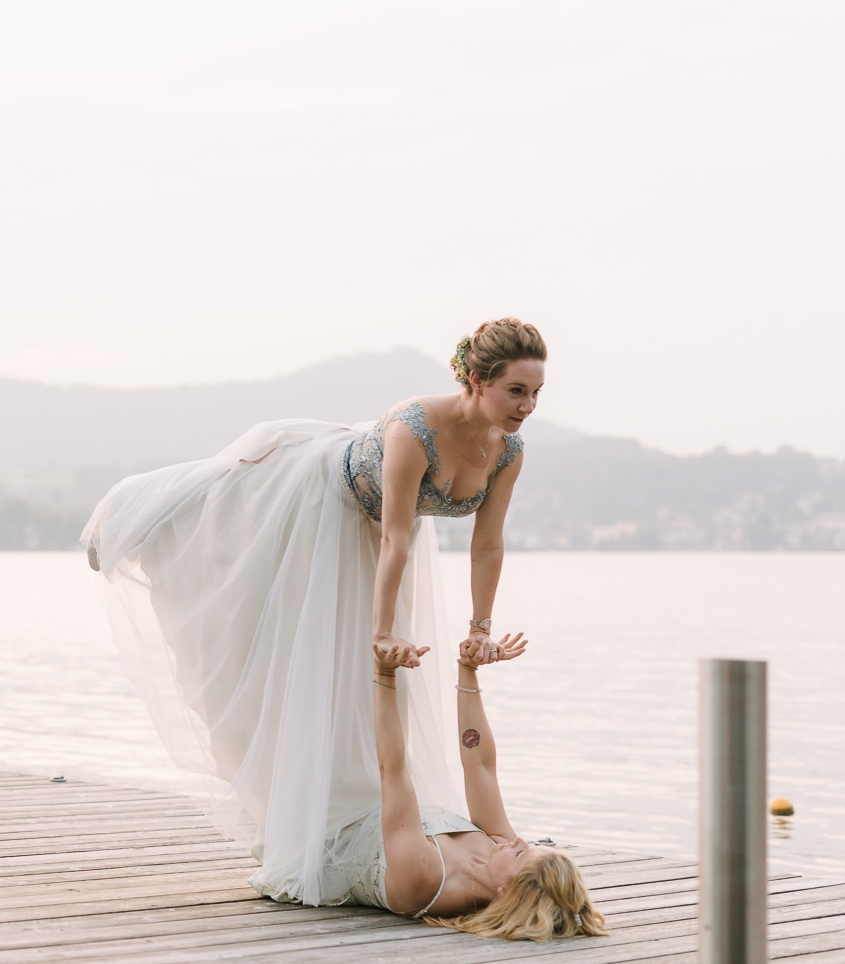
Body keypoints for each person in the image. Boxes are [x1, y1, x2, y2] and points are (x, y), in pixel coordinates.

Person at [81, 317, 606, 940]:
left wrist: (384, 664)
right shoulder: (419, 428)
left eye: (535, 393)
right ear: (475, 380)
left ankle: (136, 522)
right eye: (520, 391)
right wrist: (471, 649)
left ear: (511, 886)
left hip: (351, 525)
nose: (529, 407)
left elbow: (394, 769)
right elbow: (480, 763)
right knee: (241, 534)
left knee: (275, 634)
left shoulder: (432, 880)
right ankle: (160, 513)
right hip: (328, 494)